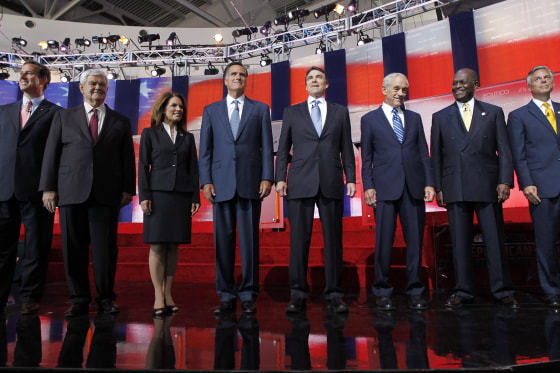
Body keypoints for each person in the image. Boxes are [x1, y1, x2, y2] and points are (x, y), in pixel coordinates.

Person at [40, 69, 136, 317]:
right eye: (92, 83)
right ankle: (78, 299)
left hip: (106, 195)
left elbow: (127, 158)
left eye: (102, 84)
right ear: (81, 88)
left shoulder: (120, 121)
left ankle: (106, 297)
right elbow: (51, 154)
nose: (97, 87)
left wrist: (128, 188)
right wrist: (49, 188)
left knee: (105, 250)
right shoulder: (64, 117)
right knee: (74, 249)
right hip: (71, 192)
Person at [431, 68, 517, 308]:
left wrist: (505, 180)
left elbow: (505, 151)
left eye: (463, 82)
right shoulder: (440, 116)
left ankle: (503, 291)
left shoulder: (493, 113)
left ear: (475, 84)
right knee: (459, 244)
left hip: (488, 186)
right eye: (454, 83)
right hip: (455, 186)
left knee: (494, 241)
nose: (457, 86)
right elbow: (435, 156)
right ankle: (463, 291)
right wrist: (438, 187)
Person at [276, 66, 356, 314]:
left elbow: (346, 149)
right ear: (305, 84)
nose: (314, 81)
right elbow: (282, 149)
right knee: (299, 240)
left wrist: (351, 178)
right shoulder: (292, 112)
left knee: (333, 241)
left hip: (331, 179)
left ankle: (334, 294)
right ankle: (298, 294)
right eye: (310, 78)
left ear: (326, 83)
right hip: (300, 180)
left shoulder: (340, 112)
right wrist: (280, 178)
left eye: (318, 77)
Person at [199, 62, 274, 316]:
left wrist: (267, 177)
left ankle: (249, 294)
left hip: (250, 182)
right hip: (220, 184)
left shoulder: (260, 109)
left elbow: (266, 147)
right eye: (233, 74)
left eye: (242, 75)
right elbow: (205, 151)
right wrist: (206, 181)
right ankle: (226, 294)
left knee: (250, 242)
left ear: (246, 80)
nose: (238, 78)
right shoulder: (211, 111)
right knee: (223, 242)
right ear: (225, 80)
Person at [360, 72, 435, 311]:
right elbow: (366, 158)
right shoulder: (369, 119)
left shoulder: (415, 118)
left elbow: (424, 153)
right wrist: (369, 186)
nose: (400, 93)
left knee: (415, 241)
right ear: (383, 89)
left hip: (413, 188)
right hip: (384, 188)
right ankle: (382, 289)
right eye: (396, 89)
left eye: (404, 89)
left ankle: (415, 289)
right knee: (384, 241)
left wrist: (429, 183)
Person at [0, 61, 62, 315]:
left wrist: (51, 186)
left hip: (38, 191)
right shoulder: (4, 111)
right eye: (21, 73)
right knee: (3, 248)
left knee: (36, 247)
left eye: (28, 73)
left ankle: (29, 296)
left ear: (43, 80)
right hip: (4, 190)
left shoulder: (56, 113)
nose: (22, 77)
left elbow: (57, 153)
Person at [138, 92, 200, 317]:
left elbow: (193, 169)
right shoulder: (149, 134)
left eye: (181, 107)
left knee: (173, 246)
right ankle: (157, 294)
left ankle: (168, 294)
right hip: (157, 195)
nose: (178, 109)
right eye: (174, 105)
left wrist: (195, 197)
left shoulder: (187, 137)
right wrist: (144, 196)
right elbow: (143, 167)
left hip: (181, 196)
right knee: (157, 245)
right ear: (162, 108)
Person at [507, 65, 560, 307]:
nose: (543, 81)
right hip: (542, 188)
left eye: (547, 78)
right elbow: (518, 155)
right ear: (529, 86)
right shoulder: (519, 115)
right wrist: (526, 183)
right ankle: (551, 290)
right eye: (538, 79)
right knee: (547, 242)